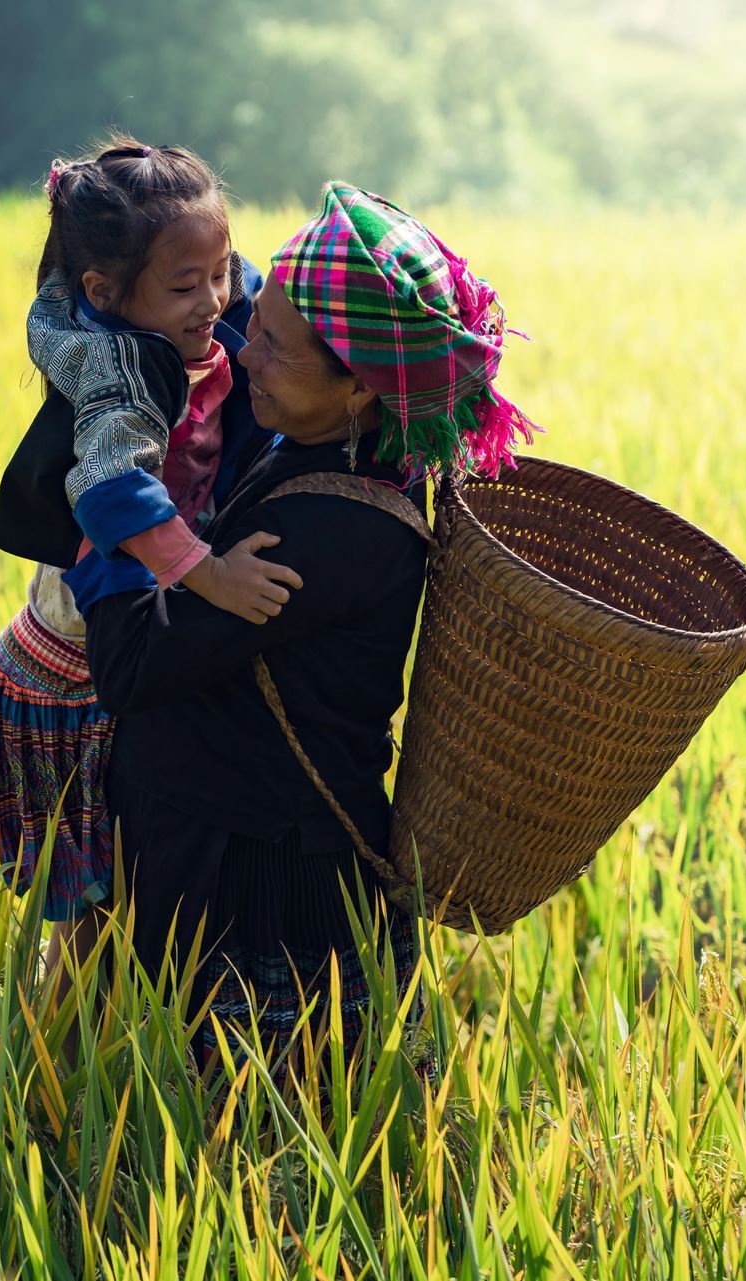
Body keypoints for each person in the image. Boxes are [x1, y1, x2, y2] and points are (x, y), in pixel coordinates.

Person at [65, 181, 537, 1070]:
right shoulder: (339, 445)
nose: (246, 357)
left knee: (227, 1146)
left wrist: (104, 517)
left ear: (359, 386)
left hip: (251, 882)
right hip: (238, 843)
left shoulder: (325, 531)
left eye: (275, 347)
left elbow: (128, 664)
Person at [0, 137, 294, 984]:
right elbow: (113, 492)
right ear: (105, 295)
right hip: (73, 674)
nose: (215, 300)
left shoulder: (176, 303)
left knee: (126, 896)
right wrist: (212, 573)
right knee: (93, 923)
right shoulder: (123, 375)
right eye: (186, 286)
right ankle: (56, 1070)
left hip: (115, 624)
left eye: (220, 272)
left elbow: (246, 284)